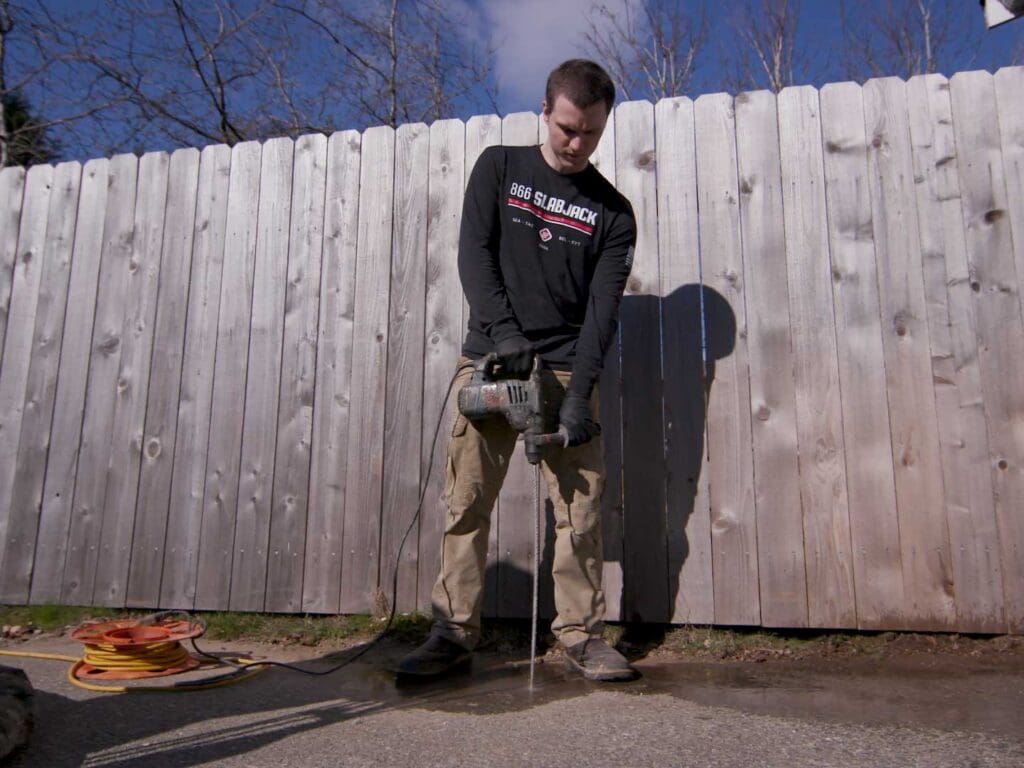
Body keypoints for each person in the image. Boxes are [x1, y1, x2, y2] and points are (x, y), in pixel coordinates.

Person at [397, 59, 637, 682]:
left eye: (589, 132)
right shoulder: (500, 167)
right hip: (492, 364)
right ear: (546, 111)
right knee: (467, 501)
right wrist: (505, 336)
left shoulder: (614, 213)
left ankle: (582, 636)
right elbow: (474, 256)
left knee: (581, 513)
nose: (576, 143)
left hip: (562, 374)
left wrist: (580, 396)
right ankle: (452, 633)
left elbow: (602, 313)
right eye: (565, 128)